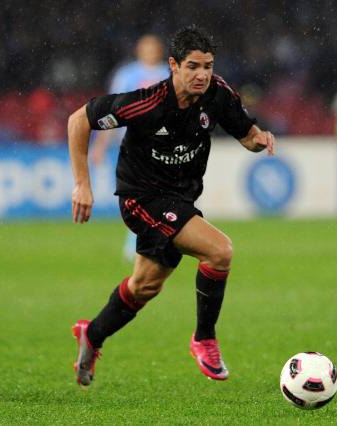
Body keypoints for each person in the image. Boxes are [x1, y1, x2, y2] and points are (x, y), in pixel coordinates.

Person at [68, 25, 275, 386]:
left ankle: (93, 334)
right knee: (219, 251)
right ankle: (204, 339)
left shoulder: (217, 94)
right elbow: (78, 120)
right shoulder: (147, 103)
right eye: (193, 66)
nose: (202, 75)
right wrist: (82, 183)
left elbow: (247, 136)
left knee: (144, 286)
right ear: (174, 65)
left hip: (180, 199)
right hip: (141, 198)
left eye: (207, 66)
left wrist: (261, 139)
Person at [90, 34, 169, 262]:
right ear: (139, 50)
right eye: (146, 48)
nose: (150, 52)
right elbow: (111, 110)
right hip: (132, 143)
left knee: (161, 192)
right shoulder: (127, 75)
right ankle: (136, 239)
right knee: (138, 193)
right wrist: (100, 145)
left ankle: (154, 237)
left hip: (163, 143)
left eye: (153, 48)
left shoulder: (169, 74)